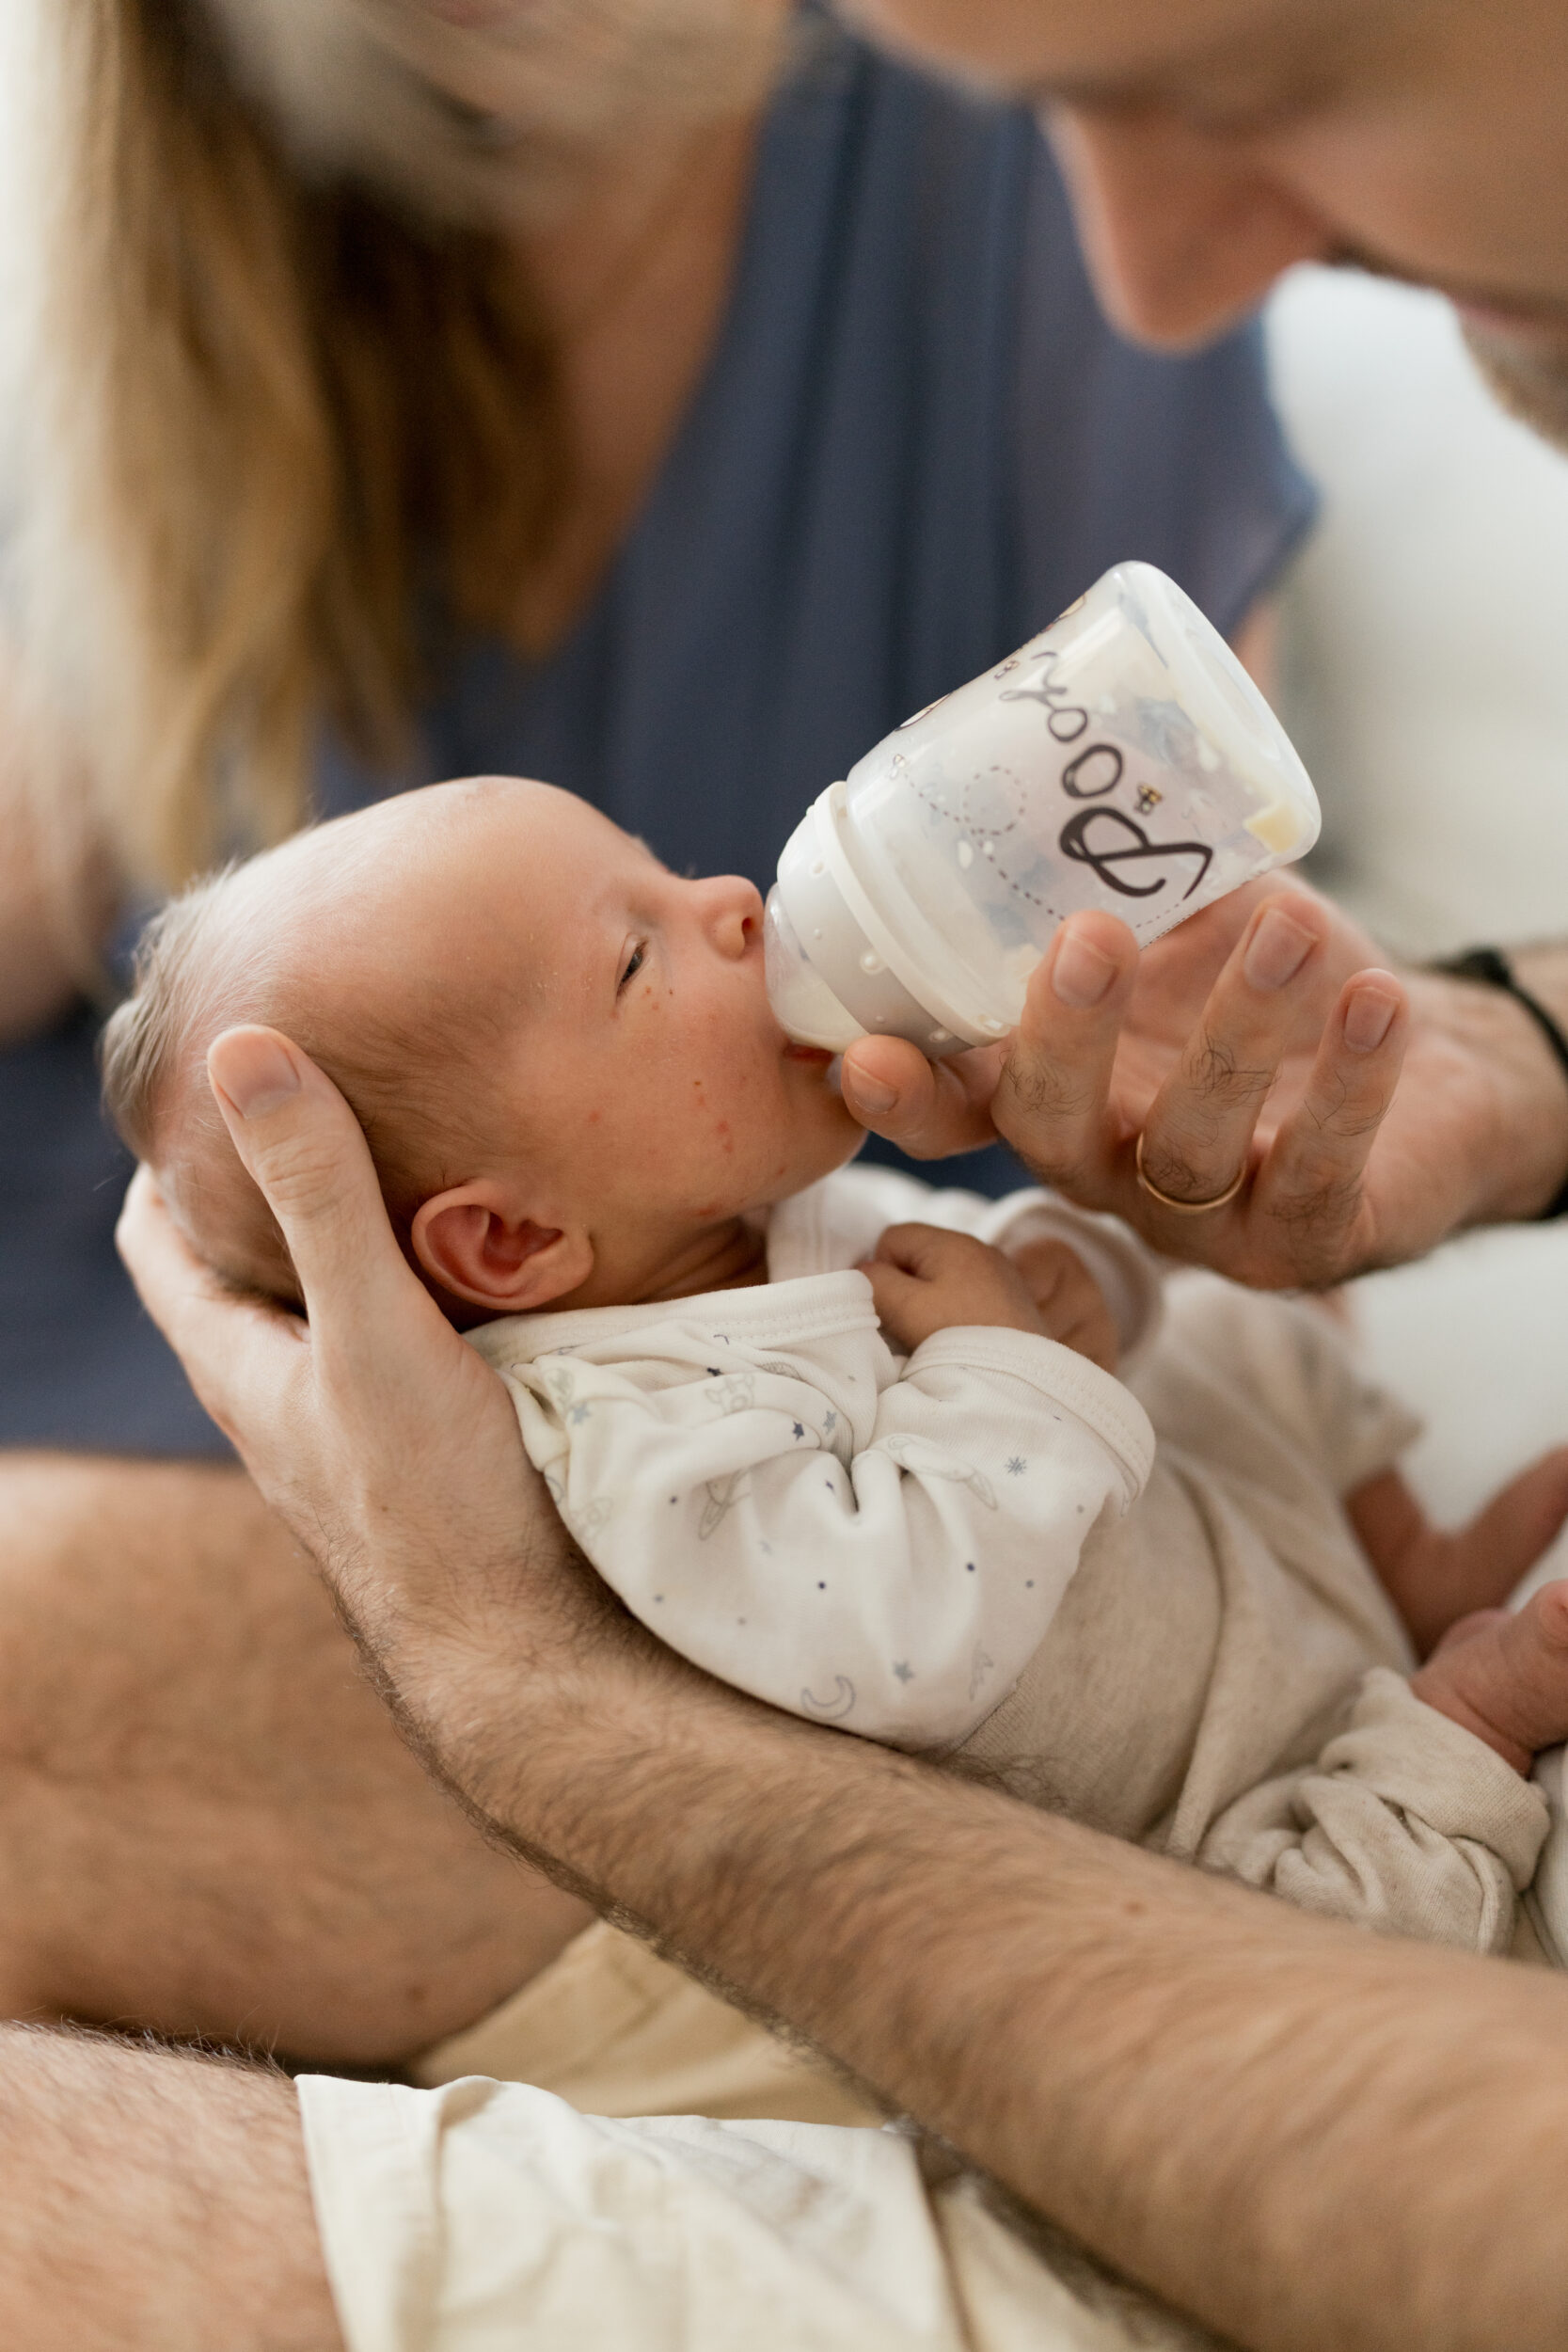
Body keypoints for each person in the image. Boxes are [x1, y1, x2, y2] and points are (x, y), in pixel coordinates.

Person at [16, 0, 1568, 2346]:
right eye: (642, 950)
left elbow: (1130, 1357)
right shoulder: (195, 277)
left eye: (1244, 91)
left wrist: (526, 1682)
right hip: (246, 1363)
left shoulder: (996, 217)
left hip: (951, 1744)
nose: (730, 900)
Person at [104, 776, 1568, 1955]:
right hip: (1232, 1791)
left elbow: (1033, 1314)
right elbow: (904, 1632)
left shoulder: (777, 1212)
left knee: (1241, 1332)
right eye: (635, 955)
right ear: (511, 1245)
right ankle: (1461, 1735)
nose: (734, 903)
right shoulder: (627, 1443)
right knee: (1334, 1951)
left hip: (1215, 1578)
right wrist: (999, 1359)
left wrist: (1077, 1286)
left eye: (665, 863)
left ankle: (1398, 1561)